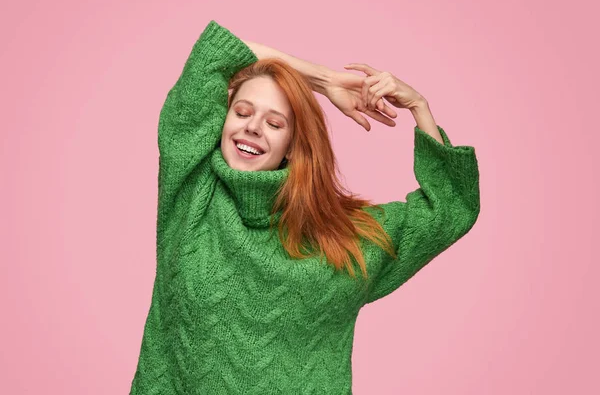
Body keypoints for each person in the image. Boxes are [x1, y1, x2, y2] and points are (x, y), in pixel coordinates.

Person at [129, 20, 480, 394]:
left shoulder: (342, 238)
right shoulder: (191, 192)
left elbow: (449, 208)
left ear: (294, 145)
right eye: (243, 112)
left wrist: (418, 106)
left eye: (274, 122)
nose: (252, 127)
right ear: (223, 119)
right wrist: (324, 80)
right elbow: (216, 54)